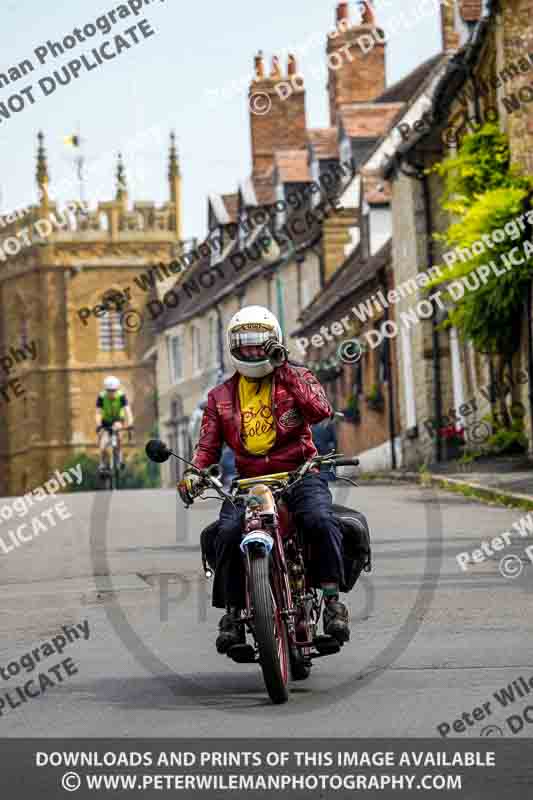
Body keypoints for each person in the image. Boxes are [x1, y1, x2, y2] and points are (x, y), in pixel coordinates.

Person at [178, 305, 351, 654]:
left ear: (275, 342)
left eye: (260, 343)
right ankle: (232, 615)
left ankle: (332, 601)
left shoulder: (294, 378)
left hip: (299, 473)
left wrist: (284, 367)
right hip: (250, 484)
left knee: (320, 519)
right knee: (226, 533)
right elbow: (207, 445)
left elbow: (320, 411)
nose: (253, 350)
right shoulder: (220, 397)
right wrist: (194, 475)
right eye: (245, 343)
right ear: (233, 347)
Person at [96, 376, 134, 471]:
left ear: (117, 389)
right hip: (106, 422)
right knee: (103, 445)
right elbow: (98, 413)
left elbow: (128, 411)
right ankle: (102, 464)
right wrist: (99, 425)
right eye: (109, 390)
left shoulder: (121, 396)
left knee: (118, 433)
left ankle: (119, 458)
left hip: (118, 419)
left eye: (113, 390)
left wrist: (130, 424)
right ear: (106, 390)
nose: (111, 393)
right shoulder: (101, 396)